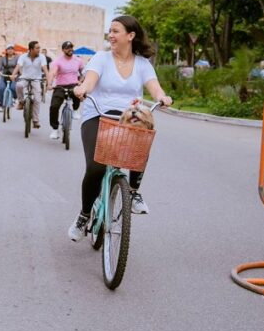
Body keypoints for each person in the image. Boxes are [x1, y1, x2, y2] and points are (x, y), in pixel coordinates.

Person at [68, 15, 172, 241]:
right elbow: (90, 80)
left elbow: (155, 89)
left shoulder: (142, 64)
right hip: (98, 114)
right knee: (96, 167)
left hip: (128, 117)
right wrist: (82, 88)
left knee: (142, 141)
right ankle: (84, 214)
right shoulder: (101, 58)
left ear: (130, 36)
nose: (110, 36)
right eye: (110, 31)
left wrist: (163, 97)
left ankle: (133, 193)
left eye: (116, 31)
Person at [47, 41, 84, 139]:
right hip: (61, 86)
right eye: (67, 48)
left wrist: (81, 81)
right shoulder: (58, 61)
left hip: (73, 84)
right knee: (54, 106)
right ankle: (55, 129)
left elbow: (83, 72)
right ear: (63, 50)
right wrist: (50, 84)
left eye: (71, 47)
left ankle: (76, 110)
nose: (70, 49)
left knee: (77, 91)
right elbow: (52, 73)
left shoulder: (78, 60)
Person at [11, 41, 49, 129]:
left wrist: (48, 80)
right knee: (18, 86)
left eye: (39, 48)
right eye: (37, 48)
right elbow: (18, 66)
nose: (39, 49)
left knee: (37, 98)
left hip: (36, 79)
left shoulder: (42, 57)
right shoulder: (23, 56)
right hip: (24, 78)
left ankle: (35, 120)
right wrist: (13, 75)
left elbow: (45, 69)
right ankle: (21, 102)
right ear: (31, 49)